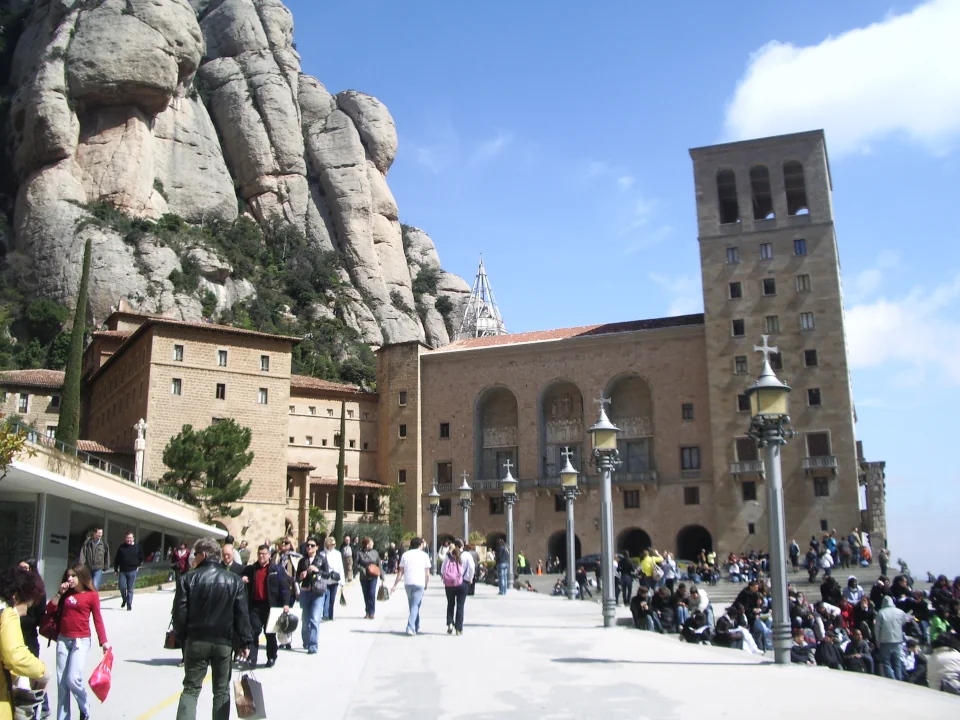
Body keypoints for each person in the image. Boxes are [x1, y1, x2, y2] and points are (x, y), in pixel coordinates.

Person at [173, 538, 252, 720]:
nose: (194, 558)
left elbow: (179, 613)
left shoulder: (188, 579)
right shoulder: (234, 581)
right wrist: (245, 641)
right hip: (224, 642)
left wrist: (183, 636)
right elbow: (242, 613)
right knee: (221, 691)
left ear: (204, 555)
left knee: (191, 689)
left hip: (196, 640)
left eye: (196, 554)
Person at [46, 566, 109, 720]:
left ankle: (84, 705)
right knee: (62, 684)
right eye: (68, 576)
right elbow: (50, 609)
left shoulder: (91, 595)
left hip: (81, 641)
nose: (70, 579)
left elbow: (98, 619)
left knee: (73, 678)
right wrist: (59, 593)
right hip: (63, 639)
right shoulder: (66, 593)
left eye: (73, 576)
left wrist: (104, 641)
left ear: (81, 576)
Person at [0, 565, 49, 720]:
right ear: (16, 596)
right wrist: (43, 672)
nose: (26, 611)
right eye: (27, 605)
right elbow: (15, 655)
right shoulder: (7, 613)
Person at [241, 544, 289, 669]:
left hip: (270, 606)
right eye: (259, 554)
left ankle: (272, 656)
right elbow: (240, 576)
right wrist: (243, 578)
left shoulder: (276, 569)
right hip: (255, 606)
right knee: (253, 633)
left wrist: (285, 604)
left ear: (269, 555)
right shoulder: (251, 569)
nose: (261, 556)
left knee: (270, 634)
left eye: (264, 554)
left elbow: (284, 588)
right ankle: (252, 659)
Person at [295, 537, 331, 654]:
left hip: (318, 592)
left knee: (315, 619)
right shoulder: (302, 561)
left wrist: (317, 570)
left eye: (312, 545)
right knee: (305, 621)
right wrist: (300, 577)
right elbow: (296, 578)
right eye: (307, 545)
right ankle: (306, 641)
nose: (309, 547)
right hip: (305, 591)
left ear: (317, 547)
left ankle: (313, 645)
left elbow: (327, 575)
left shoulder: (322, 559)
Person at [392, 537, 431, 636]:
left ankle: (416, 626)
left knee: (413, 605)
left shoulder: (405, 555)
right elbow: (427, 573)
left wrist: (395, 585)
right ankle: (410, 627)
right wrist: (426, 584)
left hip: (408, 582)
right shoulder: (424, 555)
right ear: (420, 545)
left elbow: (401, 572)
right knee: (415, 605)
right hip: (419, 583)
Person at [875, 595, 907, 680]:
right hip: (898, 640)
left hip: (885, 640)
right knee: (897, 662)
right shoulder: (900, 612)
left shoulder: (881, 612)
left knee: (886, 662)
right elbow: (904, 622)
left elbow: (877, 628)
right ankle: (899, 679)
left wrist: (877, 640)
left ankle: (892, 679)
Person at [113, 531, 144, 611]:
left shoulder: (137, 547)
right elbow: (117, 559)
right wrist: (116, 569)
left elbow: (141, 557)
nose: (129, 539)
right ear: (125, 538)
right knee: (121, 586)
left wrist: (138, 565)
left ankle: (129, 604)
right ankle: (125, 599)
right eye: (127, 538)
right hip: (122, 571)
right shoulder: (121, 547)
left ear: (133, 538)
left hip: (132, 570)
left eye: (130, 538)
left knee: (130, 589)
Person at [441, 545, 467, 636]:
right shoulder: (463, 558)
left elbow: (442, 570)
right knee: (460, 606)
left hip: (449, 585)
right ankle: (459, 629)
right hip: (460, 584)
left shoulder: (447, 558)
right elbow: (468, 570)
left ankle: (450, 624)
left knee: (450, 604)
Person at [356, 537, 381, 620]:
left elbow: (379, 564)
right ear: (367, 544)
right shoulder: (359, 553)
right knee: (366, 594)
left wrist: (382, 576)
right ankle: (367, 612)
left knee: (371, 593)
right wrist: (362, 569)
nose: (373, 544)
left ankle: (372, 612)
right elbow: (355, 564)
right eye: (371, 543)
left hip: (373, 576)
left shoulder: (375, 552)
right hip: (364, 576)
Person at [321, 537, 345, 621]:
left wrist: (342, 581)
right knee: (326, 597)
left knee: (332, 598)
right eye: (333, 544)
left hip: (335, 579)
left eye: (335, 544)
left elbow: (340, 567)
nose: (334, 545)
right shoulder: (322, 554)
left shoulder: (337, 554)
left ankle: (331, 615)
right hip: (326, 579)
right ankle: (325, 615)